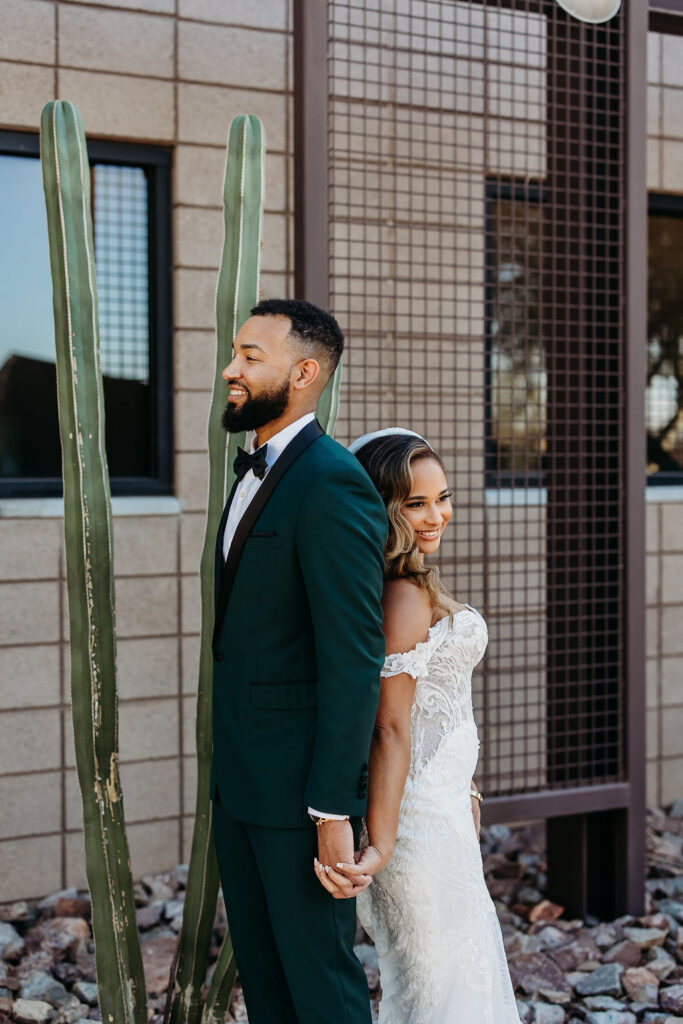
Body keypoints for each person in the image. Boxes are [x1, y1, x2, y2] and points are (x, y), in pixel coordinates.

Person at [210, 299, 388, 1024]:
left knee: (322, 988)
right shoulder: (253, 467)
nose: (230, 368)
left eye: (251, 356)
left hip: (298, 797)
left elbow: (351, 660)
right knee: (269, 984)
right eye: (235, 352)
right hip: (241, 783)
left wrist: (330, 809)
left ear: (306, 373)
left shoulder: (331, 481)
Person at [315, 429, 521, 1024]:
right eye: (415, 503)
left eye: (443, 497)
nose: (437, 515)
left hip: (446, 805)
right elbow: (389, 729)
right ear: (382, 507)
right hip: (415, 819)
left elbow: (441, 704)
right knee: (437, 982)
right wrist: (379, 846)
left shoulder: (413, 581)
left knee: (460, 967)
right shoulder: (402, 597)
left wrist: (470, 789)